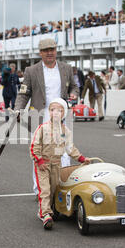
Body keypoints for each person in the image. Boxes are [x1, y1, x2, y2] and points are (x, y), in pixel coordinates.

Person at [14, 38, 79, 198]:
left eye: (52, 49)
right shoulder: (31, 70)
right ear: (40, 52)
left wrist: (73, 94)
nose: (50, 52)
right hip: (40, 118)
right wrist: (18, 109)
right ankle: (41, 191)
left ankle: (62, 189)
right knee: (40, 155)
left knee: (63, 153)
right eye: (46, 50)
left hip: (61, 118)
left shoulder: (66, 68)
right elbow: (24, 92)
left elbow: (75, 86)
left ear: (56, 50)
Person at [30, 98, 88, 230]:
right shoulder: (42, 128)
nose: (55, 113)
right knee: (44, 190)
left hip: (56, 164)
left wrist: (82, 159)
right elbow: (34, 146)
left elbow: (70, 148)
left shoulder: (65, 131)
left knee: (54, 189)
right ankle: (45, 214)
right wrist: (39, 160)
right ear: (49, 112)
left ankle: (52, 210)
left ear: (63, 113)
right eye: (52, 110)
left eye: (59, 110)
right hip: (42, 165)